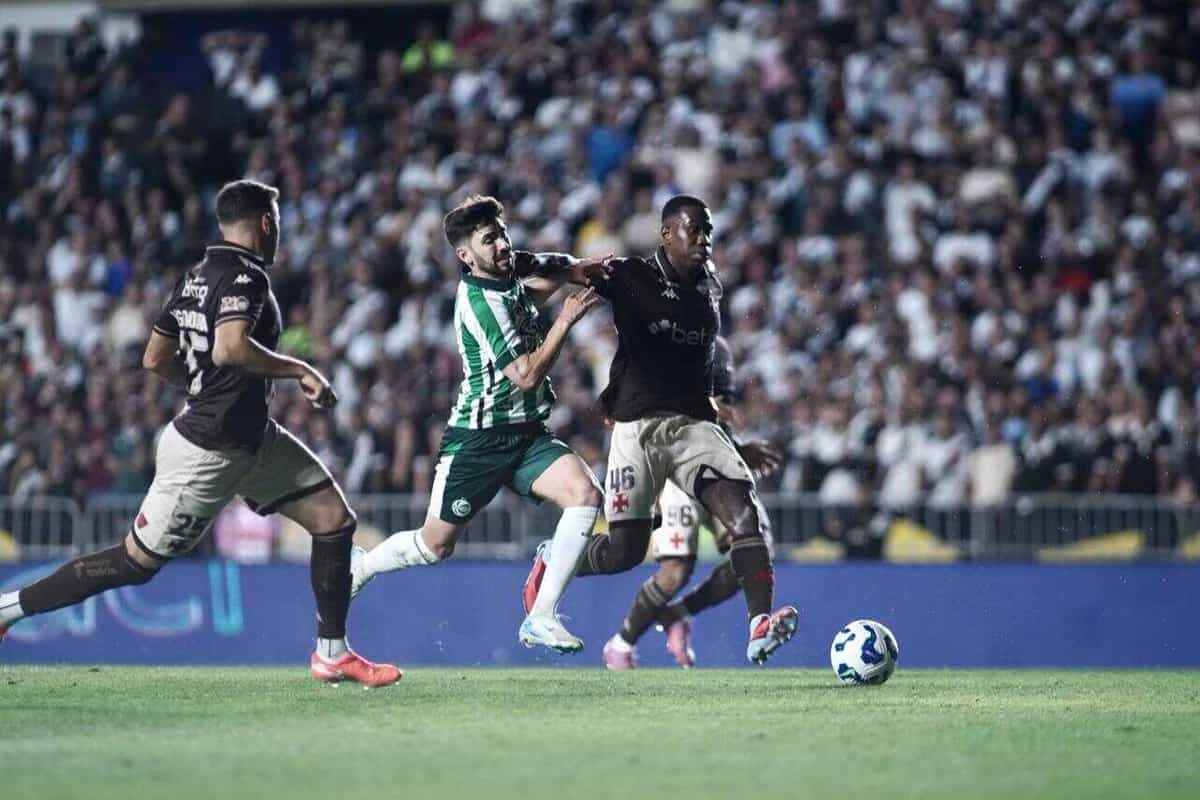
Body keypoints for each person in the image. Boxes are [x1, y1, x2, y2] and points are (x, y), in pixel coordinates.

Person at [0, 180, 400, 687]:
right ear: (265, 224)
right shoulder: (246, 278)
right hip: (208, 451)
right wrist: (297, 370)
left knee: (332, 519)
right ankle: (8, 608)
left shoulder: (195, 277)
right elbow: (230, 349)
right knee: (133, 562)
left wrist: (205, 387)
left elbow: (153, 358)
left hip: (250, 438)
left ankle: (332, 652)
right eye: (276, 221)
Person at [524, 195, 798, 667]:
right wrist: (517, 264)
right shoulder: (631, 275)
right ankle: (555, 558)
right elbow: (564, 264)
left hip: (696, 428)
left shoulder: (709, 288)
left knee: (744, 515)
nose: (706, 240)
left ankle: (759, 626)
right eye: (697, 230)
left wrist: (733, 438)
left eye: (709, 231)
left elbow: (702, 366)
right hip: (638, 430)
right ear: (667, 234)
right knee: (625, 553)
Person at [349, 195, 610, 653]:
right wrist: (565, 319)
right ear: (464, 255)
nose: (503, 244)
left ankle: (542, 615)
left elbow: (550, 269)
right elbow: (526, 376)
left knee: (586, 495)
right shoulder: (480, 302)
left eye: (503, 234)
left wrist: (583, 268)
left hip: (526, 435)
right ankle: (363, 567)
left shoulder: (509, 279)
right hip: (478, 439)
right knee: (435, 547)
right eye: (490, 239)